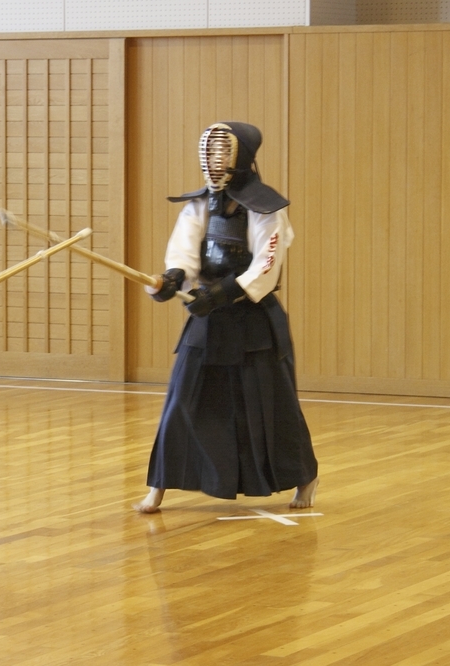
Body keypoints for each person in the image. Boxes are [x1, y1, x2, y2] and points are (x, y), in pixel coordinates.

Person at [135, 122, 318, 514]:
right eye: (210, 152)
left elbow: (266, 266)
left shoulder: (267, 209)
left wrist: (222, 293)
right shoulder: (199, 205)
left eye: (223, 152)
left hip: (254, 319)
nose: (215, 160)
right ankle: (159, 485)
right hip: (208, 317)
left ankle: (305, 477)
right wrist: (173, 279)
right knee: (182, 397)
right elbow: (183, 251)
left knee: (273, 403)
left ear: (242, 157)